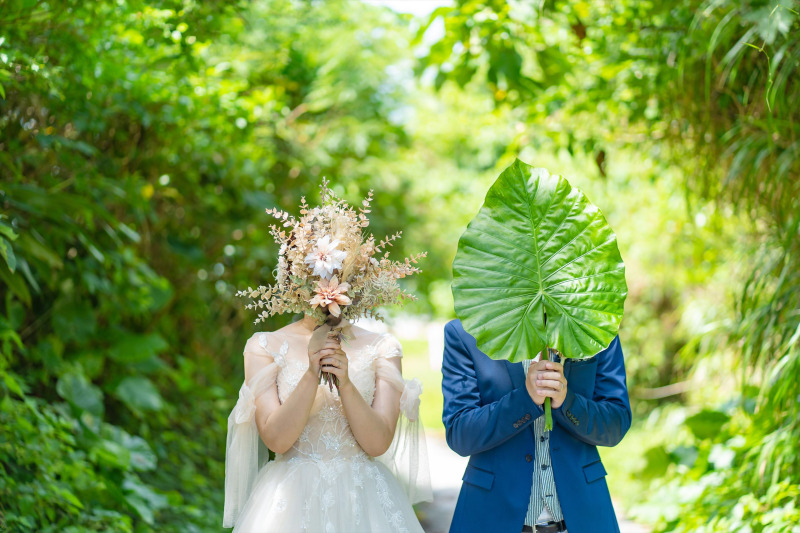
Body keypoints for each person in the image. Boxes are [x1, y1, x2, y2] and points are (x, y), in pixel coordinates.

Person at [223, 315, 430, 532]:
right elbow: (276, 441)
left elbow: (378, 443)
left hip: (364, 499)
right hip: (292, 501)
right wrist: (312, 372)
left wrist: (346, 384)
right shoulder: (265, 345)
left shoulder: (382, 347)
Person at [441, 319, 632, 533]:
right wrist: (526, 400)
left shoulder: (594, 322)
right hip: (491, 518)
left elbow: (616, 423)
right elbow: (459, 433)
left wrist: (566, 401)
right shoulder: (465, 332)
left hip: (585, 518)